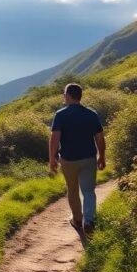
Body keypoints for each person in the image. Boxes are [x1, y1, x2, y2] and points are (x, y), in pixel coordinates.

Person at [48, 83, 106, 233]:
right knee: (88, 190)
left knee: (72, 190)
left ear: (67, 96)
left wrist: (52, 159)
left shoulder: (60, 115)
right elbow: (100, 138)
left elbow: (55, 139)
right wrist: (102, 157)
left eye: (64, 94)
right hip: (88, 159)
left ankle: (78, 219)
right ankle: (89, 220)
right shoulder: (91, 114)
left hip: (68, 160)